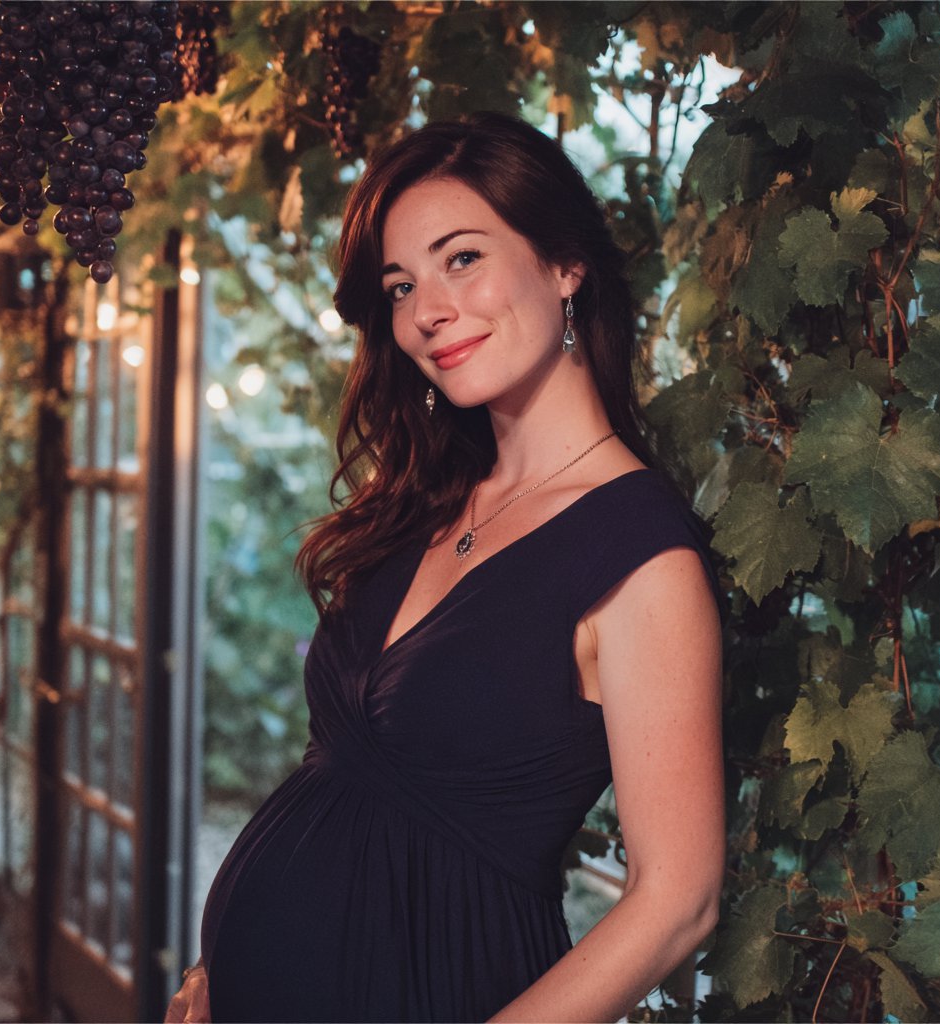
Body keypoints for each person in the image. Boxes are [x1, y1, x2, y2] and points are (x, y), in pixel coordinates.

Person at [166, 111, 724, 1024]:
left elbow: (679, 901)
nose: (426, 310)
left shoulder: (640, 554)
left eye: (461, 258)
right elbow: (337, 785)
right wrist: (216, 967)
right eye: (399, 285)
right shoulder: (425, 495)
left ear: (563, 263)